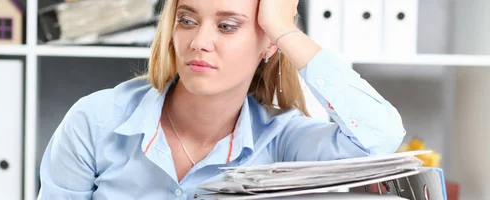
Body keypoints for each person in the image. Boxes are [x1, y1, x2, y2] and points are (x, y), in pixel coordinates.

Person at [37, 0, 406, 199]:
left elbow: (379, 138)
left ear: (268, 45)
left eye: (227, 25)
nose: (199, 41)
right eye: (186, 20)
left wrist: (284, 29)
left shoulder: (283, 142)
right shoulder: (96, 120)